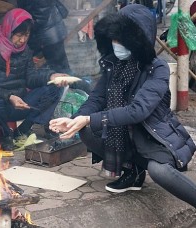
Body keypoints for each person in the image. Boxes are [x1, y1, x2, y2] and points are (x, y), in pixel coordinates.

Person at [49, 4, 196, 207]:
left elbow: (138, 111)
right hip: (127, 136)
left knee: (159, 171)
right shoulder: (114, 65)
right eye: (114, 38)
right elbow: (96, 98)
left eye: (122, 39)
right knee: (85, 129)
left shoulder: (157, 68)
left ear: (138, 40)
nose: (116, 44)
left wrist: (90, 118)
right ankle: (133, 171)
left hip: (153, 137)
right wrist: (75, 120)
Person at [0, 8, 69, 151]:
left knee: (54, 88)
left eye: (26, 35)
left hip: (21, 102)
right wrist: (8, 96)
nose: (23, 40)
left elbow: (31, 78)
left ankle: (23, 130)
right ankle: (6, 134)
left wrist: (50, 76)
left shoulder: (25, 51)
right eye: (19, 35)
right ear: (9, 31)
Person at [16, 0, 71, 74]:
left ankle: (72, 84)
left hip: (47, 34)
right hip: (49, 32)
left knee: (60, 70)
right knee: (59, 68)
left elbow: (40, 15)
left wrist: (27, 29)